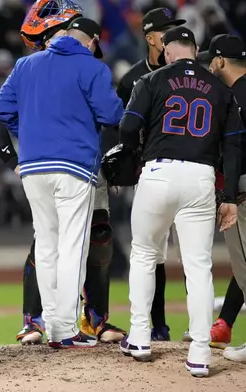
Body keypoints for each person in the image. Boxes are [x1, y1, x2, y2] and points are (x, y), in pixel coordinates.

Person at [0, 0, 126, 346]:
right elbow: (112, 115)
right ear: (89, 41)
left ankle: (49, 323)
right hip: (73, 166)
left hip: (33, 166)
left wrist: (33, 130)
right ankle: (65, 329)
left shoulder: (25, 65)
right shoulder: (91, 67)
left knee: (46, 244)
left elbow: (0, 114)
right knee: (73, 246)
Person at [118, 26, 241, 377]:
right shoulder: (220, 89)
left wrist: (139, 151)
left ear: (168, 51)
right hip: (201, 178)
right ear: (196, 50)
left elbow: (127, 127)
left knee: (143, 253)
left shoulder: (151, 81)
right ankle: (201, 354)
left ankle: (140, 337)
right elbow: (233, 147)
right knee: (198, 266)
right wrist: (228, 195)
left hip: (159, 172)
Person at [116, 7, 187, 342]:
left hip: (190, 171)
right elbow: (122, 129)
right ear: (150, 37)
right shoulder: (132, 79)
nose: (171, 34)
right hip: (150, 173)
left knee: (190, 255)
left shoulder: (190, 74)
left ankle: (195, 329)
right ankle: (155, 325)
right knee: (151, 251)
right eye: (165, 30)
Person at [197, 33, 246, 362]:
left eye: (211, 58)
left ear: (220, 61)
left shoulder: (233, 97)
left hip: (242, 187)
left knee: (244, 267)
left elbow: (235, 148)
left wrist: (231, 191)